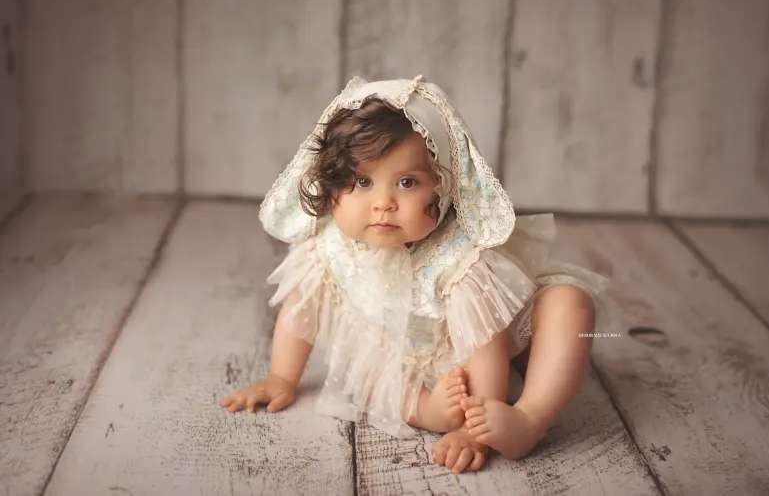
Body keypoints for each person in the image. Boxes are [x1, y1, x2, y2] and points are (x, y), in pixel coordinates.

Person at [220, 76, 609, 474]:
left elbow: (485, 344)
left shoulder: (458, 256)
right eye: (362, 182)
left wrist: (476, 428)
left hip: (498, 353)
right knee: (362, 380)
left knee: (569, 305)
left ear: (441, 186)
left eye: (407, 182)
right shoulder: (328, 244)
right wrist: (281, 377)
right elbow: (297, 311)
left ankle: (529, 417)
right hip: (406, 359)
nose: (384, 203)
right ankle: (431, 412)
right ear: (330, 182)